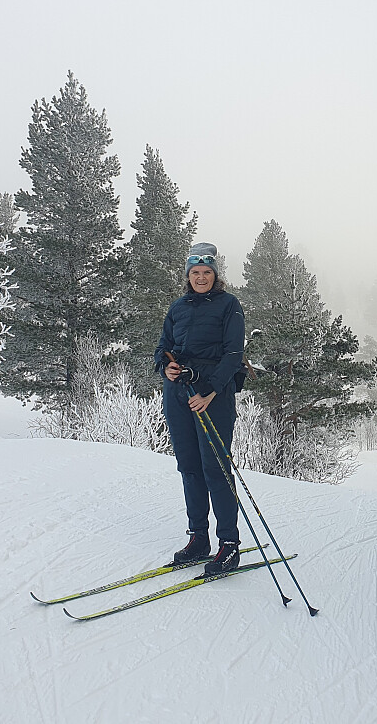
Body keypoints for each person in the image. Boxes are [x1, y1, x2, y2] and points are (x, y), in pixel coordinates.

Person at [154, 242, 245, 575]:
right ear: (188, 275)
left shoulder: (228, 305)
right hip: (177, 393)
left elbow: (234, 354)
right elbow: (163, 347)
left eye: (207, 272)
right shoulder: (178, 307)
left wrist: (208, 391)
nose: (201, 277)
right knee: (189, 468)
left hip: (213, 395)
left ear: (215, 275)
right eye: (195, 273)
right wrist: (166, 368)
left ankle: (229, 545)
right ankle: (199, 539)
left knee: (215, 469)